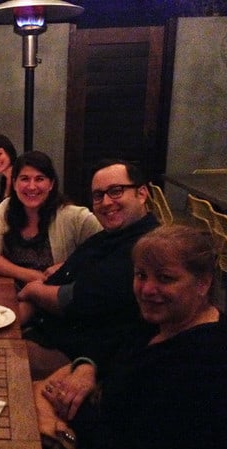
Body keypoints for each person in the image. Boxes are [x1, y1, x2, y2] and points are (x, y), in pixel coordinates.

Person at [34, 224, 227, 449]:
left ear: (203, 283)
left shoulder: (207, 366)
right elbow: (109, 344)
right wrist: (87, 367)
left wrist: (72, 418)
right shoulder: (163, 320)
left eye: (165, 278)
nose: (147, 289)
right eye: (141, 275)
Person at [19, 159, 159, 379]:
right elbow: (63, 275)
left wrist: (32, 291)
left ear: (141, 194)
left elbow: (77, 300)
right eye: (98, 195)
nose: (105, 202)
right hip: (43, 330)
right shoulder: (109, 236)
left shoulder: (147, 247)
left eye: (115, 191)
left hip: (73, 355)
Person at [0, 151, 102, 290]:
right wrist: (31, 275)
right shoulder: (6, 208)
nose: (31, 186)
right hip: (11, 295)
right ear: (14, 183)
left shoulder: (75, 216)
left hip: (54, 302)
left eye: (39, 179)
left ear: (51, 184)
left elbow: (108, 252)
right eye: (24, 179)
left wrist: (70, 265)